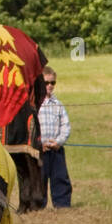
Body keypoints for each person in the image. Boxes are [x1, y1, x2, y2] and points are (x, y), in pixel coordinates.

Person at [36, 66, 72, 208]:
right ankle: (38, 205)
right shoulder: (35, 104)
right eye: (46, 83)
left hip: (56, 149)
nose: (50, 86)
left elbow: (65, 126)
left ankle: (62, 204)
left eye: (53, 83)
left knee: (60, 177)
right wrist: (39, 144)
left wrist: (59, 141)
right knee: (39, 179)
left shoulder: (58, 105)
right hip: (40, 150)